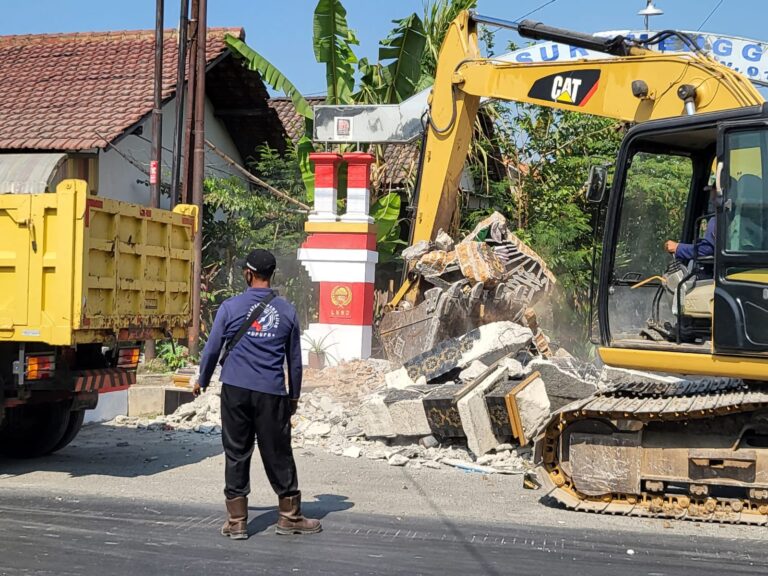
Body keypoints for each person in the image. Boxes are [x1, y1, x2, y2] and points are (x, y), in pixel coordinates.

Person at [196, 248, 321, 540]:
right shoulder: (287, 311)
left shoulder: (229, 307)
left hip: (235, 391)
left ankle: (237, 521)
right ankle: (290, 517)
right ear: (271, 275)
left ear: (248, 274)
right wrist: (294, 396)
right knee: (278, 452)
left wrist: (201, 379)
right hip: (271, 392)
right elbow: (294, 361)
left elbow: (213, 348)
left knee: (237, 452)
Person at [664, 186, 716, 264]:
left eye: (713, 193)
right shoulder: (734, 217)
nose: (711, 198)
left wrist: (677, 248)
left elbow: (707, 250)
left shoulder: (718, 219)